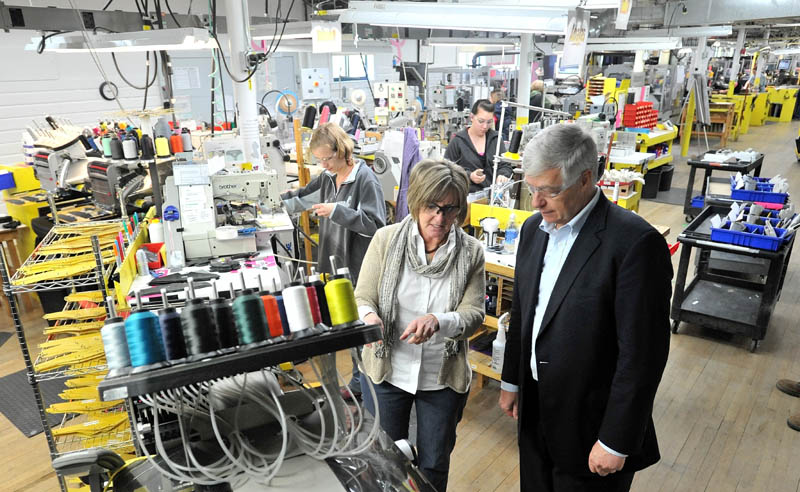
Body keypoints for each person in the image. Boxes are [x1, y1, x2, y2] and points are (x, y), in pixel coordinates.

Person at [498, 124, 672, 492]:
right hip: (535, 410)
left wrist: (615, 439)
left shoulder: (634, 244)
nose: (536, 202)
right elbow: (524, 313)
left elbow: (642, 356)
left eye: (549, 190)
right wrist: (512, 380)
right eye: (531, 189)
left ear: (586, 179)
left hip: (592, 426)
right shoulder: (533, 230)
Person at [354, 158, 486, 492]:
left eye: (451, 209)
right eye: (432, 207)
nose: (440, 219)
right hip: (388, 370)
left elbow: (474, 315)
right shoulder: (386, 240)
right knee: (384, 461)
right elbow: (363, 297)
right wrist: (369, 317)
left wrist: (439, 321)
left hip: (440, 378)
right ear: (415, 202)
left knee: (433, 463)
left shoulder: (471, 253)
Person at [281, 122, 386, 398]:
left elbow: (376, 226)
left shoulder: (365, 180)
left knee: (359, 328)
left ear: (342, 150)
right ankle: (357, 384)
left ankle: (367, 386)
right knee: (345, 327)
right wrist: (271, 201)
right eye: (319, 160)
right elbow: (301, 198)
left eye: (328, 158)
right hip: (333, 265)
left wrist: (337, 211)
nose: (324, 164)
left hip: (358, 267)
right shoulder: (327, 178)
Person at [444, 99, 512, 194]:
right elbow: (446, 171)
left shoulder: (495, 139)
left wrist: (503, 175)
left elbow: (505, 165)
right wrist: (469, 176)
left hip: (492, 197)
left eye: (489, 122)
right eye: (481, 121)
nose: (485, 126)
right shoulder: (458, 141)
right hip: (466, 198)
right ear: (471, 117)